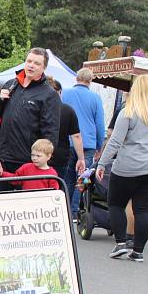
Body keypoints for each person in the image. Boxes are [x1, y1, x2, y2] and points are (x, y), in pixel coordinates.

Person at [97, 74, 148, 262]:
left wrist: (101, 163)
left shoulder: (127, 111)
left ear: (134, 89)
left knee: (116, 203)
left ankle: (121, 244)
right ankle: (138, 252)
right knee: (144, 210)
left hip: (128, 168)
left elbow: (115, 142)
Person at [0, 48, 61, 192]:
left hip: (29, 161)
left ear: (44, 68)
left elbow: (51, 132)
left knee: (23, 209)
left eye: (37, 63)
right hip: (4, 158)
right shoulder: (11, 84)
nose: (31, 65)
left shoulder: (48, 94)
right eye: (29, 61)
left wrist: (42, 161)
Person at [62, 68, 105, 218]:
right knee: (82, 179)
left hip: (67, 142)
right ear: (90, 81)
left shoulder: (65, 93)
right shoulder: (95, 98)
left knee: (66, 178)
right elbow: (100, 124)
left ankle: (63, 210)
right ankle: (74, 213)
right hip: (88, 144)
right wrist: (99, 146)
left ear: (76, 78)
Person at [48, 77, 85, 199]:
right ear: (59, 92)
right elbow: (76, 136)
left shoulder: (37, 106)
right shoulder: (67, 110)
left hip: (38, 153)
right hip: (60, 155)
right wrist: (81, 158)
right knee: (58, 188)